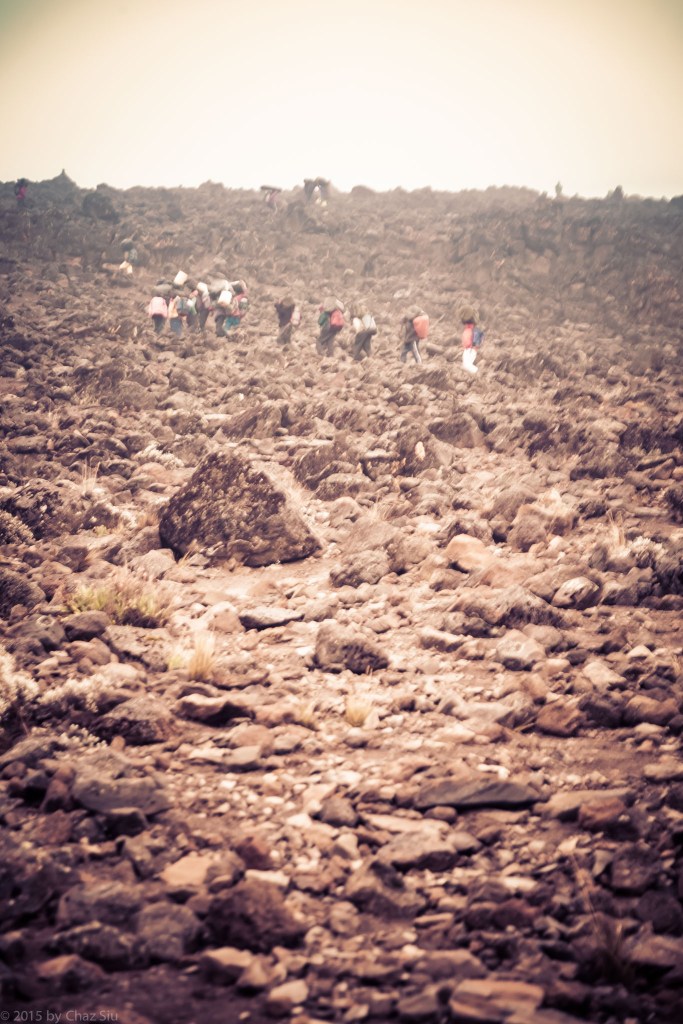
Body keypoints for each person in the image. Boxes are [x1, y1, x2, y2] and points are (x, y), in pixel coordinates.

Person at [460, 306, 482, 375]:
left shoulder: (473, 330)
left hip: (470, 350)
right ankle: (474, 375)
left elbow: (476, 343)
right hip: (468, 349)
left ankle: (477, 373)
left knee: (466, 365)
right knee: (465, 365)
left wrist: (471, 347)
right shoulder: (470, 329)